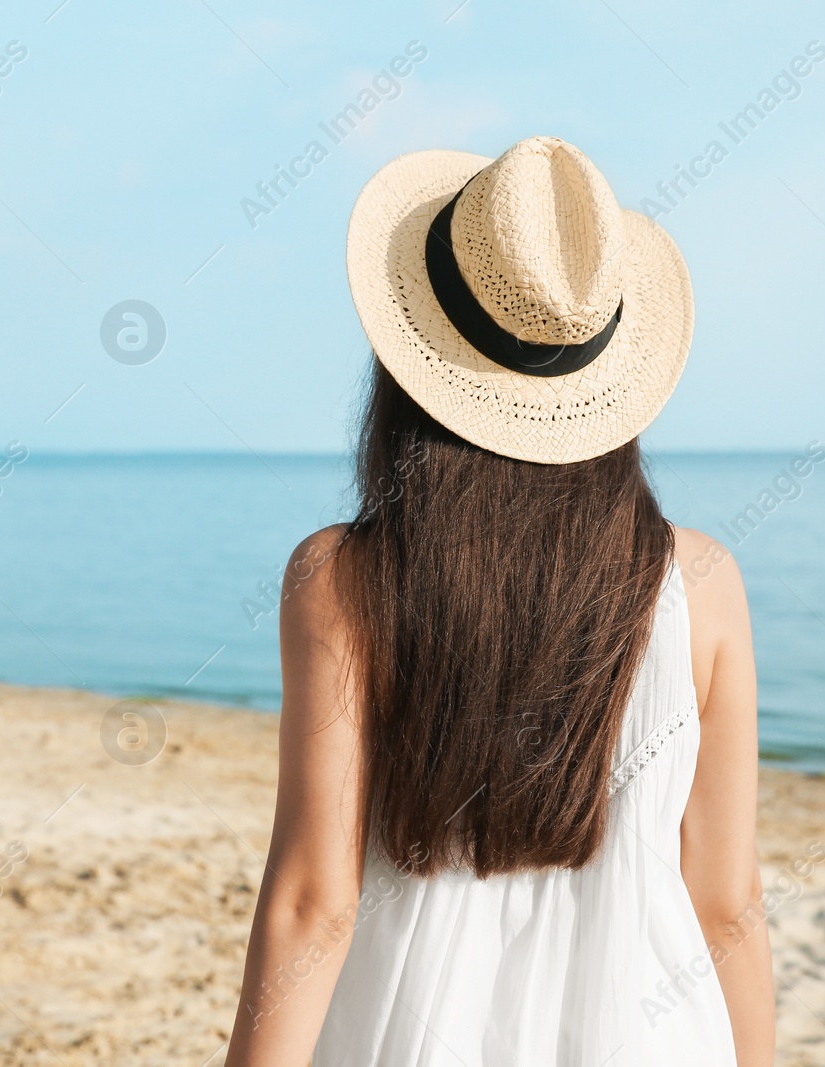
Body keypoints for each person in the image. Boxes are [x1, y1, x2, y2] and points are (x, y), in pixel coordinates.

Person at [224, 137, 774, 1066]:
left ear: (408, 366)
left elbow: (314, 904)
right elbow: (726, 902)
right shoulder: (703, 584)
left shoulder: (341, 580)